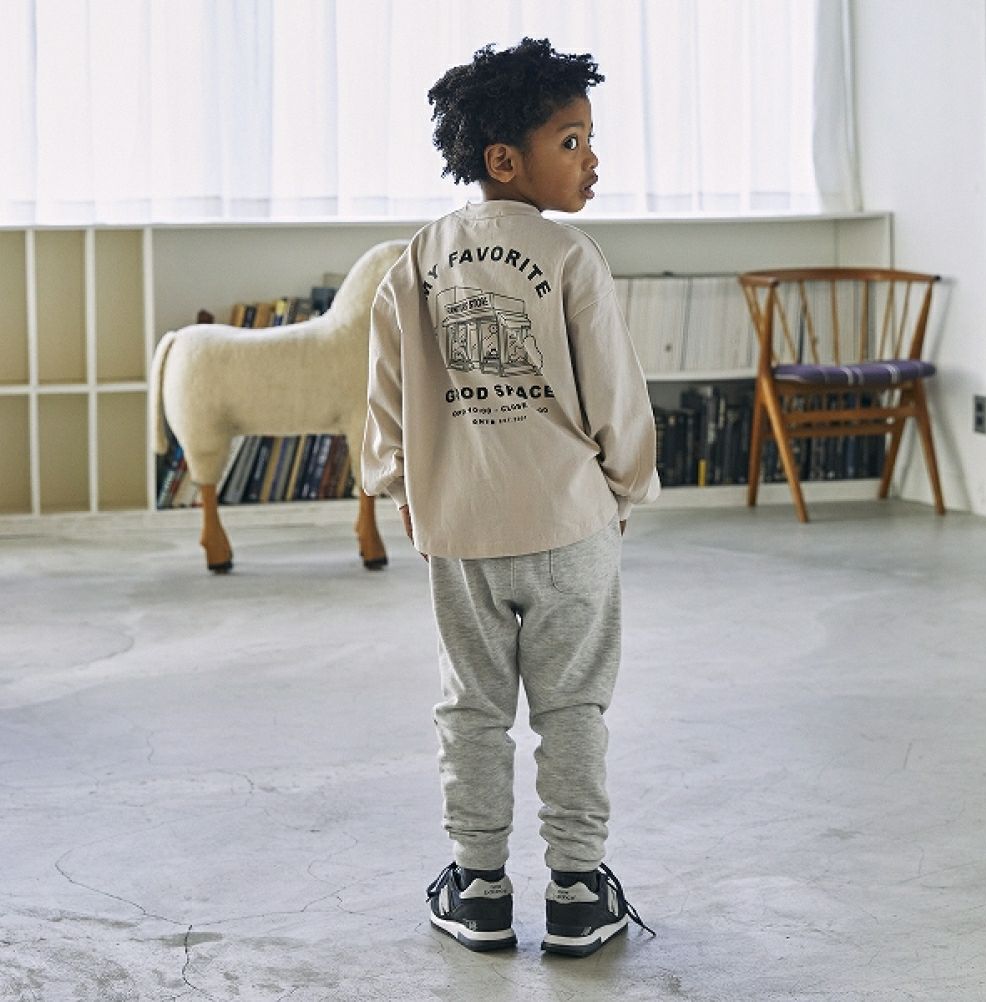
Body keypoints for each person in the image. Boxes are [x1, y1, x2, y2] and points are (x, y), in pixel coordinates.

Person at [361, 36, 659, 958]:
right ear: (504, 159)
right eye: (571, 141)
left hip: (460, 531)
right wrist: (624, 488)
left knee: (473, 709)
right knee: (572, 708)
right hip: (569, 523)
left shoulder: (415, 259)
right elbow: (615, 394)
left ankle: (479, 887)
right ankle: (578, 891)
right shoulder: (568, 254)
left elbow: (386, 399)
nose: (591, 158)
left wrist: (401, 489)